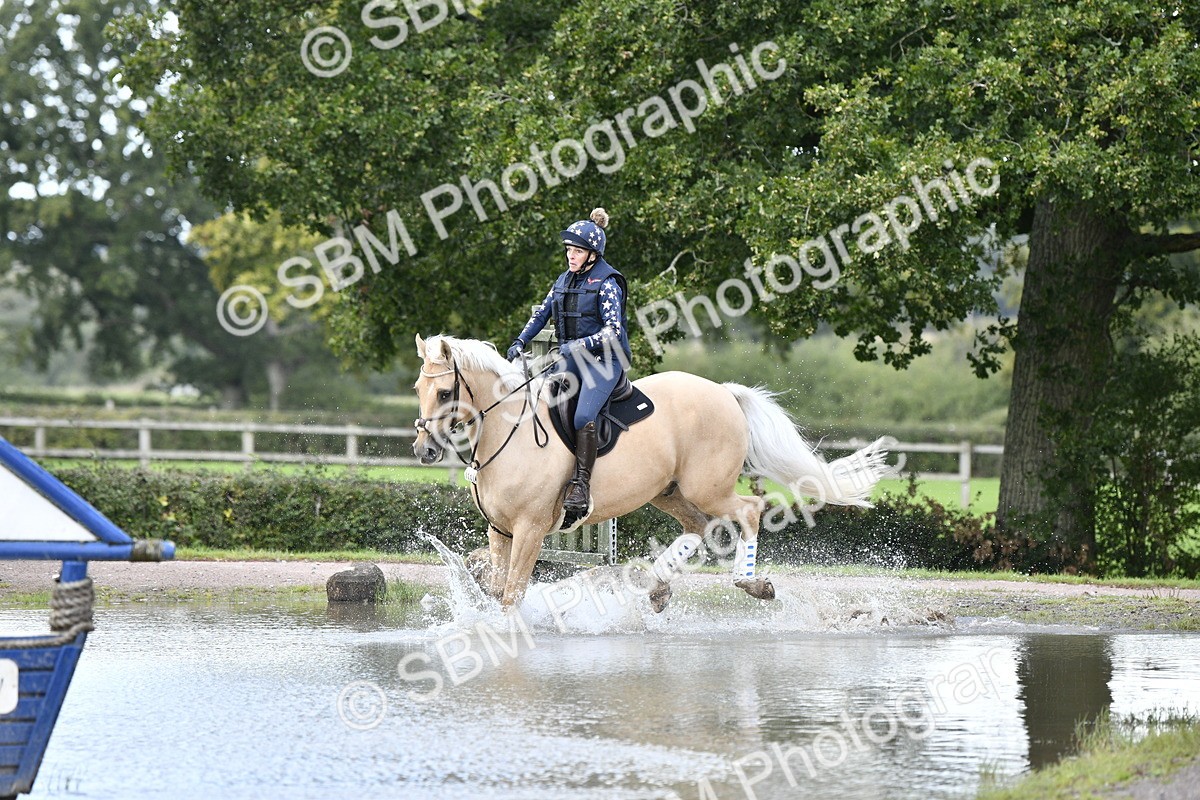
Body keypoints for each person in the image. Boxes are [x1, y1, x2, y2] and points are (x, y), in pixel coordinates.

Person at [506, 207, 632, 515]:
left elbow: (614, 331)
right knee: (536, 403)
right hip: (573, 360)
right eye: (569, 251)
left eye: (577, 251)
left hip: (604, 361)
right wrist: (520, 340)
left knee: (580, 417)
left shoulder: (607, 283)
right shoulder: (564, 280)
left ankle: (581, 484)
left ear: (592, 255)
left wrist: (578, 345)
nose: (571, 256)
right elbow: (541, 315)